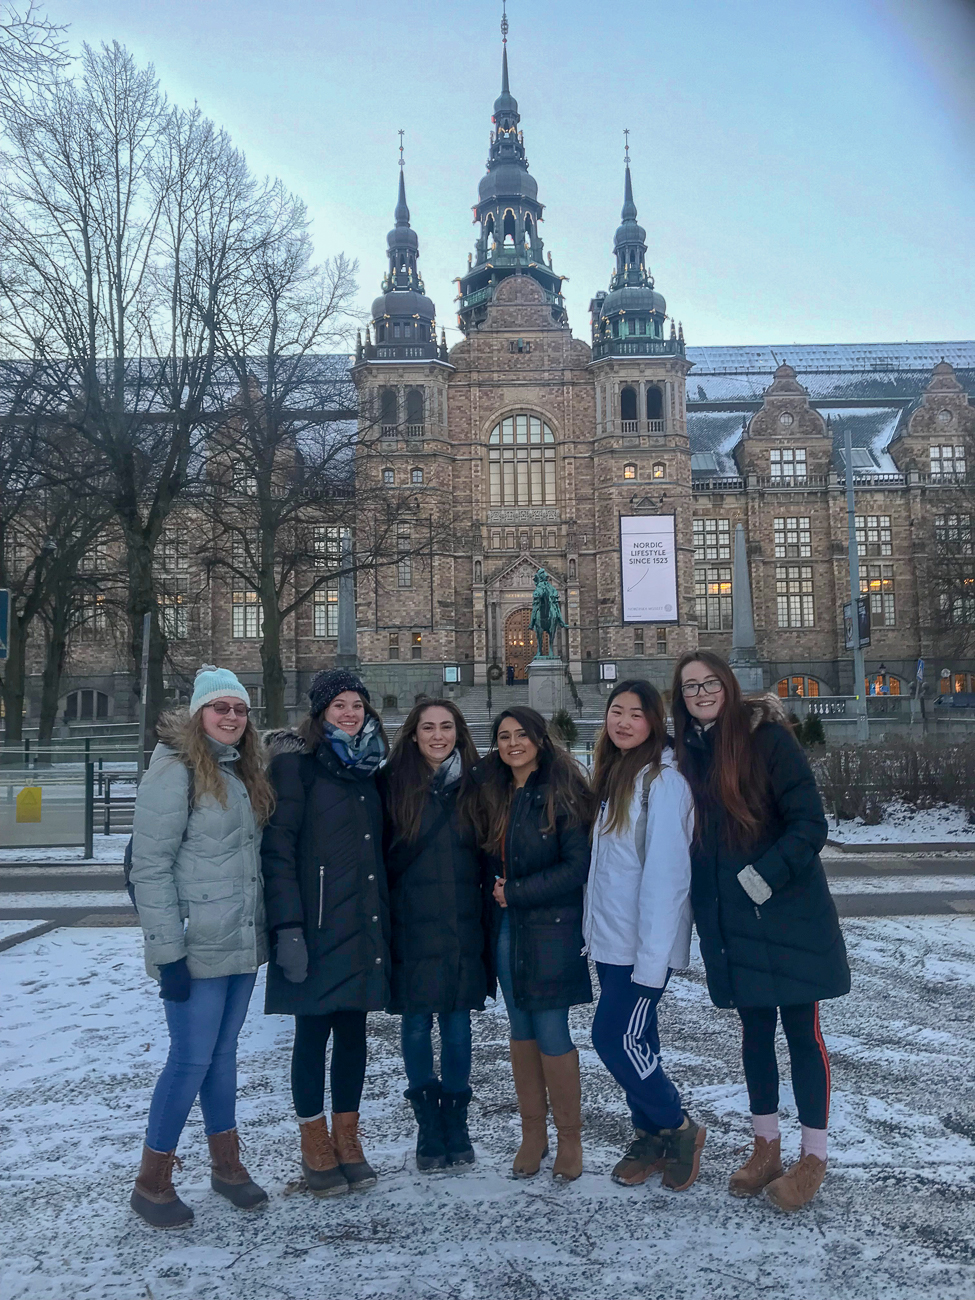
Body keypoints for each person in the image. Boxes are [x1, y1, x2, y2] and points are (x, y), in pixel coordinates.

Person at [672, 651, 851, 1212]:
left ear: (726, 685)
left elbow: (809, 824)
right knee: (754, 1038)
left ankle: (813, 1157)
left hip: (787, 913)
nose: (699, 693)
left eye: (707, 683)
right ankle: (766, 1146)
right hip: (732, 921)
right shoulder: (686, 754)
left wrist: (764, 877)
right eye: (688, 687)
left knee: (803, 1035)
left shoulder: (768, 739)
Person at [129, 665, 275, 1228]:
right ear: (198, 715)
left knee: (222, 1057)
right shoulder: (175, 771)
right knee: (189, 1060)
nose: (232, 717)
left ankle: (227, 1166)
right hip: (194, 945)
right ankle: (152, 1181)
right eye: (221, 709)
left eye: (239, 709)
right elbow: (151, 867)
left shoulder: (240, 770)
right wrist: (168, 952)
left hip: (238, 940)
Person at [262, 669, 390, 1197]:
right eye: (339, 704)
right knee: (312, 1036)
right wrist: (287, 926)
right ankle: (315, 1143)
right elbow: (279, 851)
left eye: (357, 703)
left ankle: (348, 1138)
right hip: (314, 926)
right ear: (319, 712)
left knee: (355, 1036)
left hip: (359, 921)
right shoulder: (297, 768)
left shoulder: (370, 769)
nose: (350, 712)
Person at [585, 680, 706, 1193]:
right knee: (641, 1041)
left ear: (655, 722)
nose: (624, 721)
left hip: (642, 948)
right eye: (617, 711)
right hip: (612, 941)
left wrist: (653, 960)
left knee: (613, 1038)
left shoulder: (665, 782)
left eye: (637, 713)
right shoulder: (616, 776)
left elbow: (666, 877)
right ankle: (650, 1135)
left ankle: (680, 1126)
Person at [465, 706, 594, 1182]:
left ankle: (570, 1136)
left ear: (540, 739)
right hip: (506, 929)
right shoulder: (495, 789)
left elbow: (575, 867)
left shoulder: (560, 791)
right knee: (519, 1028)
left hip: (551, 927)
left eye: (522, 735)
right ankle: (533, 1134)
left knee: (551, 1028)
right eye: (502, 737)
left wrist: (516, 892)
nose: (512, 744)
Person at [380, 699, 487, 1171]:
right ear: (414, 733)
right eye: (428, 728)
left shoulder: (478, 784)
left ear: (458, 733)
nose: (438, 736)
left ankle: (456, 1121)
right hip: (411, 922)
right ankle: (428, 1124)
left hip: (462, 921)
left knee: (458, 1024)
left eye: (446, 727)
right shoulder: (390, 784)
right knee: (417, 1023)